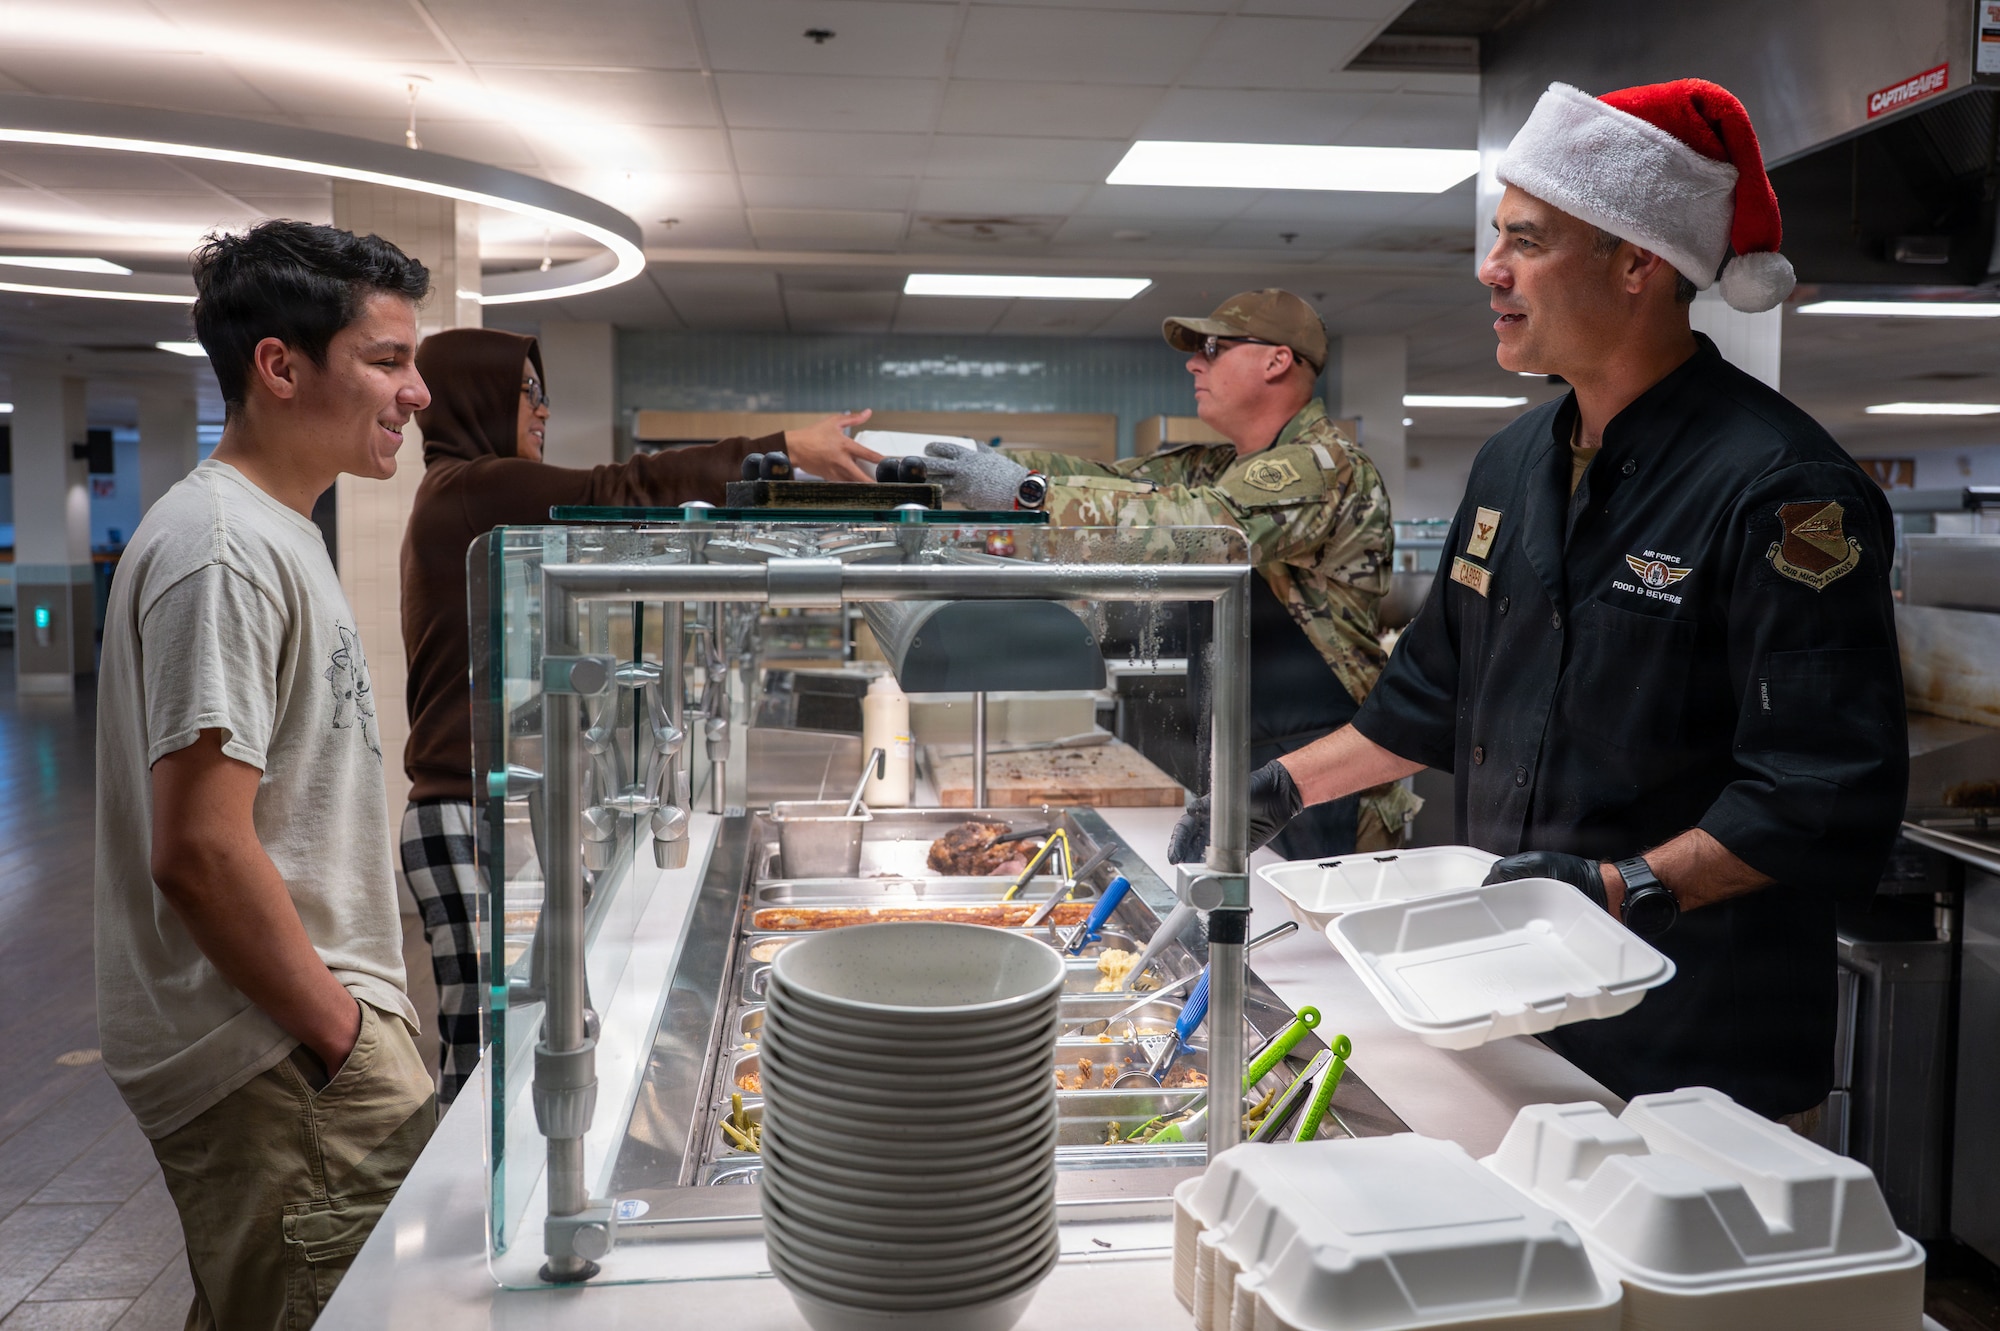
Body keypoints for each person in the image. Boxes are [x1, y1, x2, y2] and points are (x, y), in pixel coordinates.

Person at [1171, 80, 1907, 1121]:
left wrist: (1619, 887)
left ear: (1635, 261)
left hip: (1693, 1043)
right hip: (1500, 1010)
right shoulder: (1515, 460)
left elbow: (1820, 791)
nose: (1489, 269)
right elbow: (1431, 694)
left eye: (1524, 240)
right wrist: (1273, 790)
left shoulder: (1777, 487)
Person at [95, 220, 437, 1329]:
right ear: (279, 367)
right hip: (276, 1050)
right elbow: (198, 844)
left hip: (296, 1041)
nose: (415, 391)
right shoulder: (221, 547)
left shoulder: (279, 529)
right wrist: (341, 1037)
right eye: (386, 360)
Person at [399, 326, 880, 1103]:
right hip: (463, 813)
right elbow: (617, 491)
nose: (543, 411)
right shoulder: (468, 486)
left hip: (486, 811)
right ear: (477, 396)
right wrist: (781, 446)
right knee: (482, 1060)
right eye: (529, 391)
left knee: (510, 1039)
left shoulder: (474, 493)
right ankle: (471, 1220)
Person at [922, 289, 1412, 858]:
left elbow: (1203, 530)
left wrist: (1026, 494)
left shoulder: (1325, 465)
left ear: (1277, 360)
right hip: (1248, 753)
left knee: (1321, 938)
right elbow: (1102, 476)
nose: (1193, 363)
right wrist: (970, 461)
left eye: (1212, 348)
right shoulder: (1220, 465)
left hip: (1328, 771)